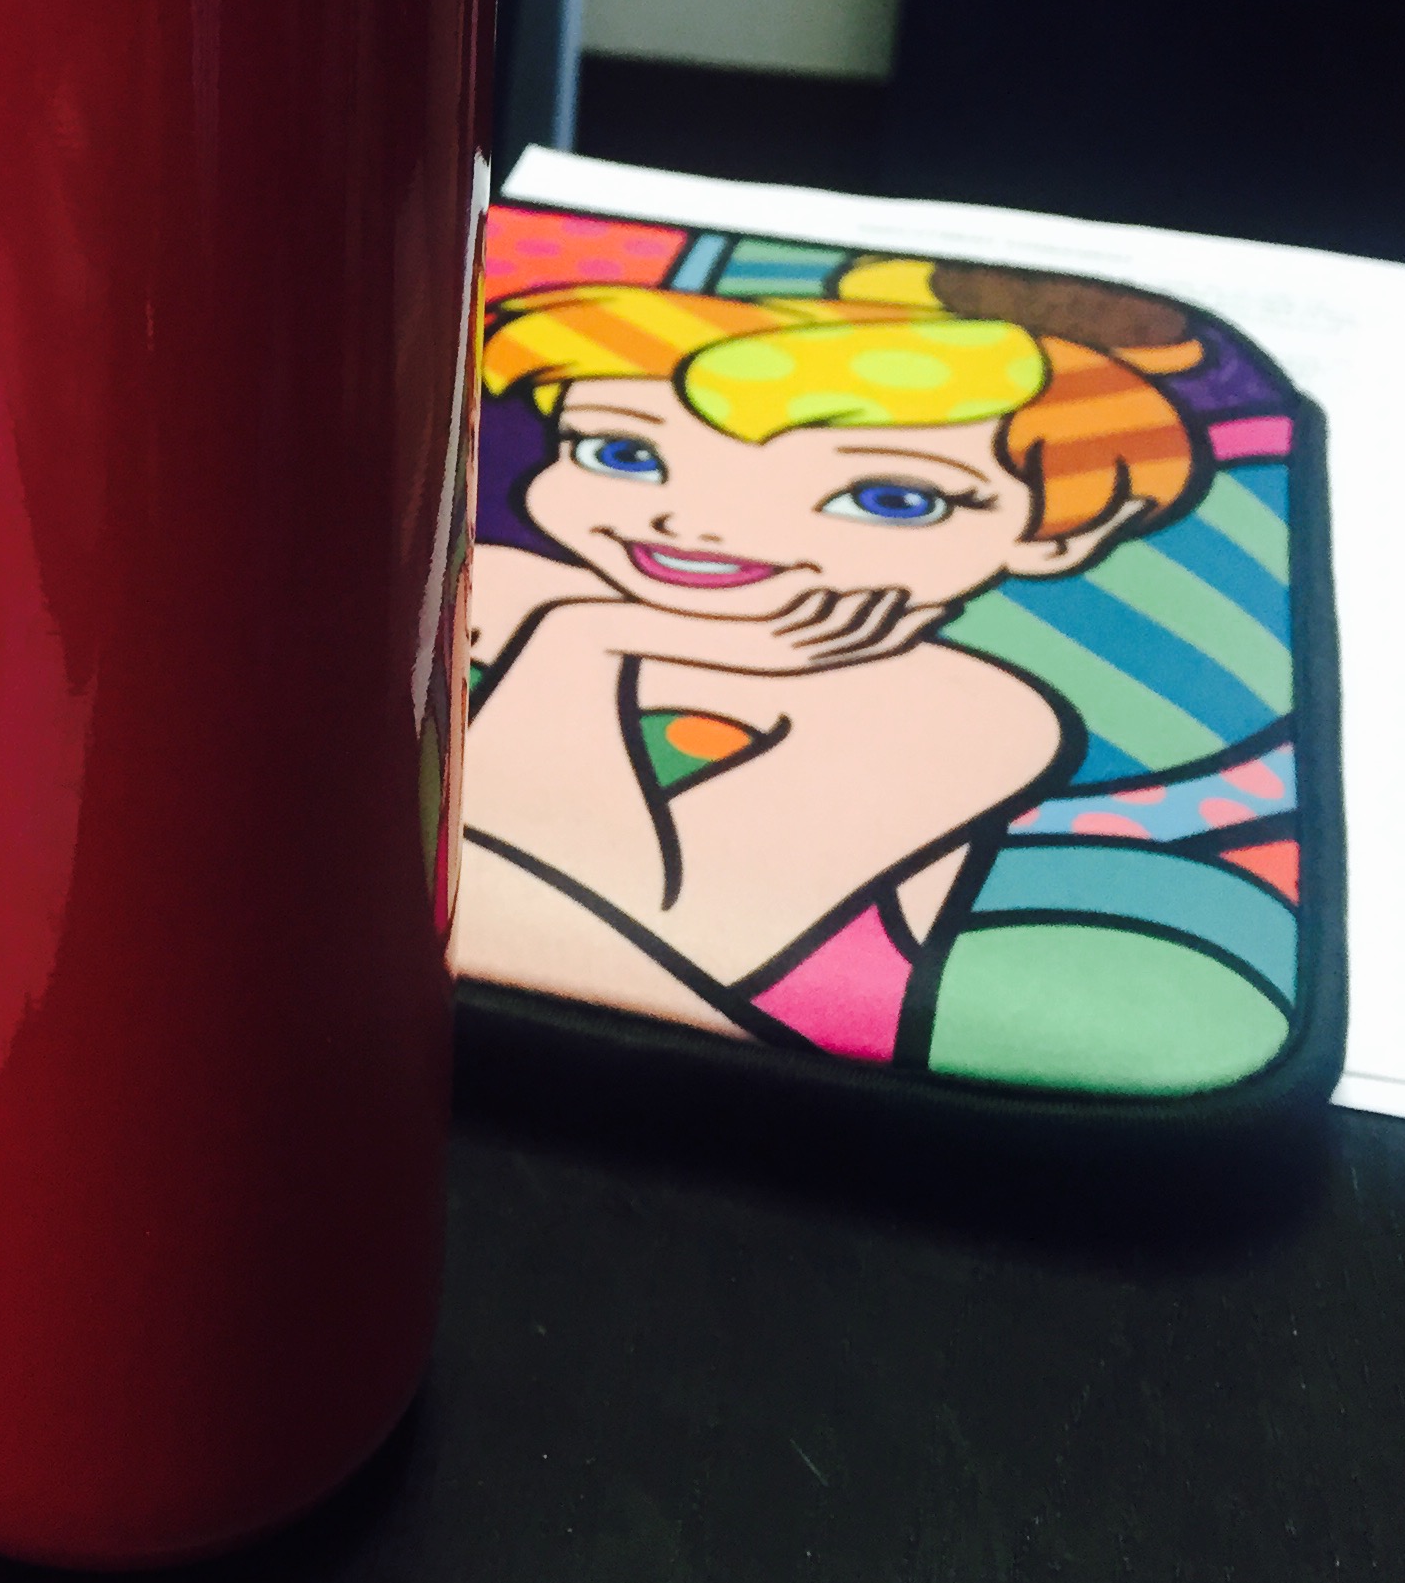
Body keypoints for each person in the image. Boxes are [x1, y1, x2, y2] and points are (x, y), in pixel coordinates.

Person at [455, 259, 1207, 1055]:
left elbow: (622, 939)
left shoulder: (963, 711)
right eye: (622, 453)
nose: (697, 525)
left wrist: (584, 643)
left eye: (890, 499)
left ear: (1065, 535)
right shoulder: (490, 580)